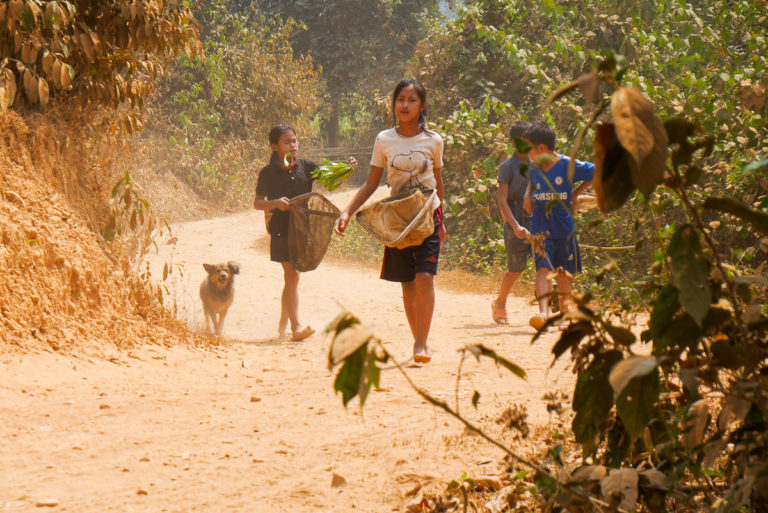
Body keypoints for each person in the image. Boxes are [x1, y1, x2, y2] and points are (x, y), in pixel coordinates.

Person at [335, 78, 444, 364]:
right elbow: (372, 183)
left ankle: (421, 342)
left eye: (411, 100)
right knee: (407, 282)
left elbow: (439, 181)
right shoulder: (384, 139)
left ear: (422, 106)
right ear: (393, 104)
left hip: (428, 215)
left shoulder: (434, 140)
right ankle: (418, 338)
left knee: (424, 276)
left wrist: (441, 217)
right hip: (397, 220)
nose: (405, 105)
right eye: (400, 99)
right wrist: (347, 211)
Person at [253, 123, 357, 341]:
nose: (293, 145)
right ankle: (296, 326)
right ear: (274, 146)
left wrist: (347, 169)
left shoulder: (306, 166)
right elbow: (258, 203)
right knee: (292, 274)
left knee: (292, 278)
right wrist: (274, 203)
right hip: (280, 227)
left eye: (295, 141)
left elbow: (329, 177)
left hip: (302, 227)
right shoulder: (268, 173)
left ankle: (284, 322)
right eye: (287, 142)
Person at [522, 121, 594, 330]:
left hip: (563, 225)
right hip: (540, 224)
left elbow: (594, 172)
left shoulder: (568, 166)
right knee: (542, 268)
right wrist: (528, 195)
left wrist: (577, 193)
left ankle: (564, 315)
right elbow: (532, 182)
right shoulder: (534, 166)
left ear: (542, 148)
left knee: (563, 272)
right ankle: (543, 313)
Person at [491, 120, 532, 325]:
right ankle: (500, 303)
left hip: (537, 219)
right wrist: (515, 225)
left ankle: (552, 308)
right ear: (514, 144)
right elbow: (502, 200)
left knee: (547, 263)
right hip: (515, 219)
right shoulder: (507, 167)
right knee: (516, 268)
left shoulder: (539, 164)